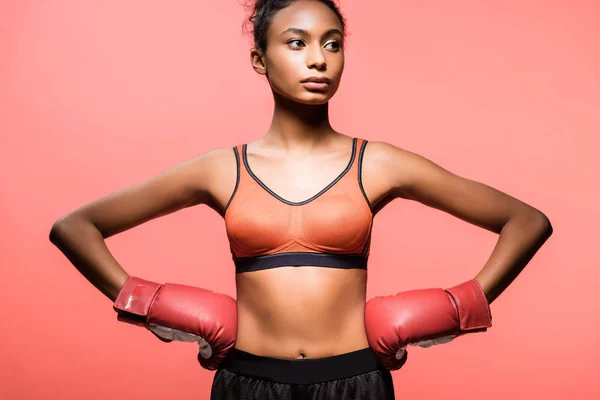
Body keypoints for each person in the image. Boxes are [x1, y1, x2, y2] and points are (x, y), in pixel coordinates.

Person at [49, 0, 554, 399]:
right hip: (246, 382)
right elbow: (75, 227)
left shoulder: (377, 163)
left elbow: (525, 221)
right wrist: (158, 307)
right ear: (259, 59)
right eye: (296, 43)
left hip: (355, 382)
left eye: (332, 44)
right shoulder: (220, 168)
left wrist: (450, 309)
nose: (318, 58)